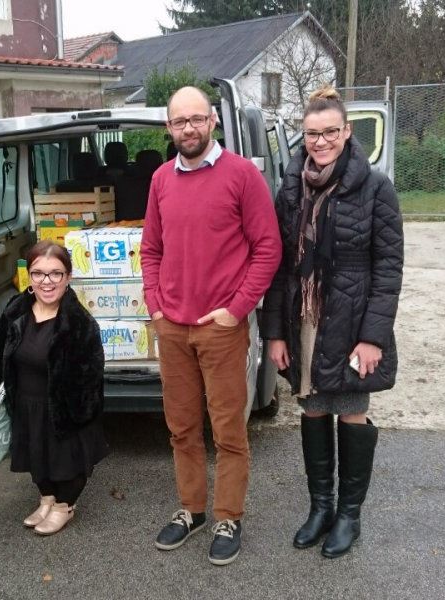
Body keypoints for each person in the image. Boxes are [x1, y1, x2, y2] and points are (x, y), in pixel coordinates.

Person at [142, 86, 282, 565]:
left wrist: (236, 309)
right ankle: (192, 509)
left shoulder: (242, 175)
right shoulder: (161, 179)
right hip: (172, 328)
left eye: (197, 119)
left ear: (213, 122)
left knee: (228, 430)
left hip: (221, 328)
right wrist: (155, 306)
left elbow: (268, 248)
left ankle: (228, 516)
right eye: (180, 121)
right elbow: (151, 250)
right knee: (181, 428)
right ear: (169, 128)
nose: (189, 128)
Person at [262, 85, 403, 559]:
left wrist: (373, 338)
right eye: (311, 134)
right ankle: (320, 507)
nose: (320, 142)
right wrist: (275, 332)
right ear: (302, 137)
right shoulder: (290, 188)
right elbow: (280, 264)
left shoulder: (376, 187)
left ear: (346, 132)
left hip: (353, 320)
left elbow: (389, 268)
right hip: (304, 319)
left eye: (329, 132)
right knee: (313, 408)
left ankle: (349, 515)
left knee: (351, 409)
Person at [0, 240, 109, 536]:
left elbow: (92, 376)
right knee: (35, 456)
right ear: (28, 276)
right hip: (25, 403)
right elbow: (1, 354)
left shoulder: (79, 323)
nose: (47, 281)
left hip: (62, 408)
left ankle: (64, 505)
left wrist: (80, 416)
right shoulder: (15, 311)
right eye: (38, 273)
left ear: (68, 277)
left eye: (56, 273)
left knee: (66, 461)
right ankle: (47, 498)